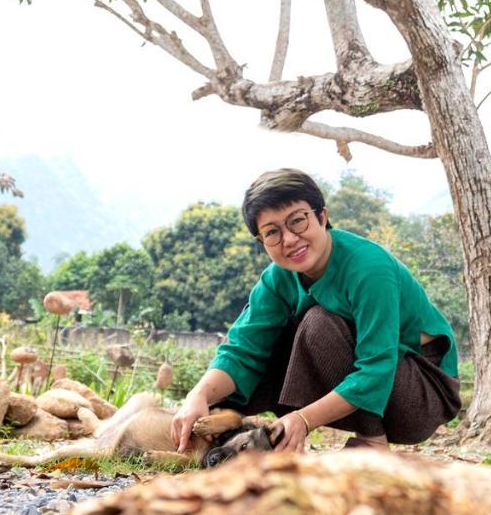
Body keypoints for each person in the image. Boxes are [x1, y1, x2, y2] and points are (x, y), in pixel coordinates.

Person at [171, 168, 461, 453]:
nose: (289, 239)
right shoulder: (277, 278)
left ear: (322, 216)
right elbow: (242, 350)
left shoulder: (369, 268)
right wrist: (198, 395)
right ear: (262, 242)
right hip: (369, 386)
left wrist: (304, 419)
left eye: (297, 221)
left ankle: (371, 441)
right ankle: (224, 444)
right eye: (272, 232)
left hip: (418, 394)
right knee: (259, 353)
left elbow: (378, 366)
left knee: (319, 323)